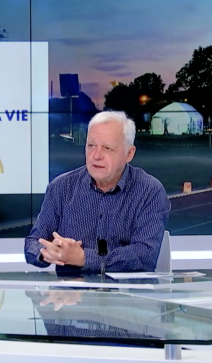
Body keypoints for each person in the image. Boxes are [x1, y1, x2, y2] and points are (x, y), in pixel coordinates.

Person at [25, 111, 170, 273]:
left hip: (128, 288)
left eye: (107, 148)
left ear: (129, 154)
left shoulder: (150, 191)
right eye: (91, 146)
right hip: (71, 288)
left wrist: (83, 258)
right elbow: (33, 243)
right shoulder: (61, 187)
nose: (96, 155)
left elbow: (145, 256)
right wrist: (48, 252)